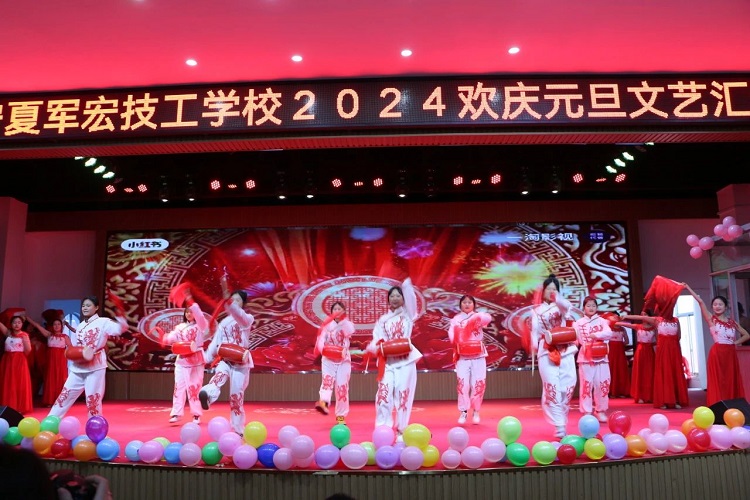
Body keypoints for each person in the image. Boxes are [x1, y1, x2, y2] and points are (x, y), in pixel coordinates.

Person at [47, 296, 129, 418]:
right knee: (64, 395)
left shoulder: (103, 322)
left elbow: (120, 329)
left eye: (88, 305)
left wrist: (120, 313)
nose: (85, 308)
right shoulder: (81, 325)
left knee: (93, 399)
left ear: (96, 308)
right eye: (83, 306)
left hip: (95, 367)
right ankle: (51, 421)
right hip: (78, 367)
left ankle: (95, 425)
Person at [365, 278, 422, 441]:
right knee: (383, 395)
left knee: (403, 396)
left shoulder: (408, 314)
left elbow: (412, 300)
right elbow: (377, 339)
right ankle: (383, 429)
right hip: (388, 362)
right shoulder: (382, 320)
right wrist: (374, 347)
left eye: (398, 296)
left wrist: (406, 287)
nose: (395, 298)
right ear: (388, 299)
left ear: (403, 299)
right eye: (392, 296)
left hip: (406, 361)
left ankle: (401, 430)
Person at [199, 275, 255, 435]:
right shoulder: (223, 323)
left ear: (243, 304)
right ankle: (207, 394)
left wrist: (227, 297)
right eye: (232, 300)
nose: (234, 302)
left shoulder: (246, 319)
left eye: (238, 300)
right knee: (218, 378)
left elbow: (238, 313)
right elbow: (216, 343)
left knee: (236, 396)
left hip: (240, 362)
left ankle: (238, 429)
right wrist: (206, 357)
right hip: (225, 359)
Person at [530, 274, 578, 438]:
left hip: (566, 350)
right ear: (543, 291)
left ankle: (561, 420)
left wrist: (557, 298)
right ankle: (559, 426)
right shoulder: (536, 311)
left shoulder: (562, 306)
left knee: (567, 388)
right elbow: (535, 331)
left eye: (554, 289)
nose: (551, 292)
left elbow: (566, 306)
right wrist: (534, 344)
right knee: (552, 388)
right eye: (548, 289)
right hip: (547, 351)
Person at [684, 285, 750, 406]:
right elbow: (700, 302)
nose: (717, 306)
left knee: (730, 379)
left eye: (720, 304)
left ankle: (732, 405)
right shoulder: (711, 319)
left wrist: (734, 343)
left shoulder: (732, 322)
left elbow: (746, 335)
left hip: (730, 354)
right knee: (718, 380)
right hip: (717, 353)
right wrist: (688, 288)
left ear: (725, 307)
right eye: (715, 304)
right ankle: (718, 406)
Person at [622, 309, 688, 409]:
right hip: (651, 350)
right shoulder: (657, 320)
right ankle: (661, 400)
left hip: (672, 349)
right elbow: (639, 318)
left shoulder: (675, 320)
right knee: (660, 374)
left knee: (673, 373)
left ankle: (675, 400)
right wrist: (625, 317)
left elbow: (678, 336)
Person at [161, 287, 208, 424]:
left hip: (196, 360)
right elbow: (171, 337)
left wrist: (189, 299)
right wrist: (164, 339)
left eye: (191, 311)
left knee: (194, 387)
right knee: (179, 387)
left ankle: (196, 414)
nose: (189, 314)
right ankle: (176, 413)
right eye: (187, 312)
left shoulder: (201, 325)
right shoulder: (180, 327)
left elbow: (199, 315)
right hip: (182, 360)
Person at [448, 294, 492, 425]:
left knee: (478, 384)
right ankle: (463, 411)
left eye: (469, 302)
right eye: (464, 302)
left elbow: (487, 318)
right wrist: (457, 338)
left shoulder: (478, 317)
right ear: (460, 305)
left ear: (474, 305)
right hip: (462, 356)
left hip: (478, 355)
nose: (467, 304)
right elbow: (451, 336)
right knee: (463, 385)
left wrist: (476, 317)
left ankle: (476, 410)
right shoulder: (456, 320)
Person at [573, 296, 613, 423]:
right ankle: (587, 411)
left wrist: (596, 335)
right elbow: (576, 340)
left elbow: (609, 333)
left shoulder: (602, 321)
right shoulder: (578, 323)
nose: (591, 308)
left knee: (602, 384)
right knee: (586, 385)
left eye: (593, 306)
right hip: (585, 357)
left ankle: (600, 411)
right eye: (588, 306)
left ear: (597, 307)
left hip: (601, 357)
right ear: (584, 308)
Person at [314, 301, 355, 425]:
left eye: (340, 309)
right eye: (335, 309)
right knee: (327, 382)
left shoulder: (347, 324)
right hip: (328, 359)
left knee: (342, 387)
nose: (337, 311)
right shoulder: (326, 325)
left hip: (343, 360)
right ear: (331, 312)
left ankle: (341, 416)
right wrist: (324, 350)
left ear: (344, 311)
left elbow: (350, 331)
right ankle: (323, 402)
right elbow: (320, 341)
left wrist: (343, 321)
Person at [26, 312, 70, 407]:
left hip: (61, 362)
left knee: (60, 379)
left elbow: (71, 349)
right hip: (51, 361)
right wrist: (27, 317)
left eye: (58, 324)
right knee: (50, 380)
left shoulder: (65, 337)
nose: (56, 326)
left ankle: (60, 401)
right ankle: (50, 401)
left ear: (61, 326)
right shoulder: (49, 335)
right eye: (54, 324)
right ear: (52, 326)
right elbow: (37, 326)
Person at [617, 310, 656, 404]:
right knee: (640, 373)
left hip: (650, 351)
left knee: (650, 373)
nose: (643, 317)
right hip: (640, 351)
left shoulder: (655, 327)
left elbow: (657, 341)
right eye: (642, 315)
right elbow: (624, 324)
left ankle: (651, 395)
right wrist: (614, 321)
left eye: (645, 314)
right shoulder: (638, 326)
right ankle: (640, 396)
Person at [0, 312, 33, 413]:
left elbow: (28, 350)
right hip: (7, 360)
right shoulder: (8, 333)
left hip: (19, 361)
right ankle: (8, 406)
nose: (17, 324)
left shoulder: (24, 335)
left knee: (19, 383)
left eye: (19, 322)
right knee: (8, 383)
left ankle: (19, 407)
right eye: (14, 322)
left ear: (22, 324)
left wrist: (18, 356)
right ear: (11, 324)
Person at [607, 319, 631, 399]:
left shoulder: (622, 329)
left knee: (621, 370)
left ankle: (622, 391)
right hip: (611, 351)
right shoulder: (608, 328)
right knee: (611, 369)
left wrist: (619, 344)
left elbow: (627, 341)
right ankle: (611, 392)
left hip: (620, 352)